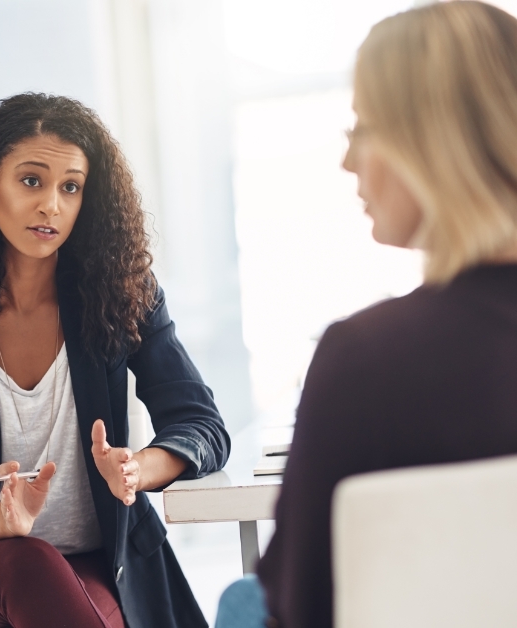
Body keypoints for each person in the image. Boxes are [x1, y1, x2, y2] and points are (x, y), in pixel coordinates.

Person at [215, 3, 517, 627]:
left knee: (244, 602)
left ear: (431, 140)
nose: (348, 161)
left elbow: (302, 609)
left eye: (362, 128)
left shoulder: (366, 360)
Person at [0, 93, 230, 628]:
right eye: (31, 180)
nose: (52, 205)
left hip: (93, 561)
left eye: (71, 187)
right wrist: (1, 518)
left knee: (55, 584)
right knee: (29, 562)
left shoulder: (123, 296)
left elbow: (201, 425)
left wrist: (138, 470)